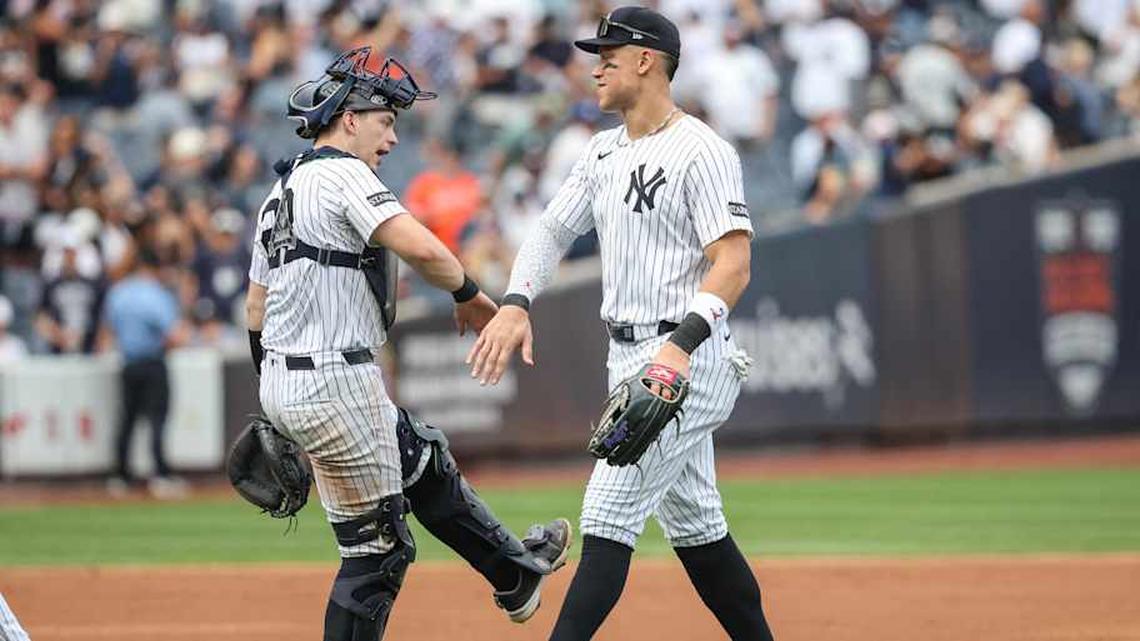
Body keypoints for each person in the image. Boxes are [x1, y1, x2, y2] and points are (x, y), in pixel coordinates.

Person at [468, 7, 777, 640]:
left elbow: (734, 263)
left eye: (610, 53)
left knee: (606, 513)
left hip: (686, 357)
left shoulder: (702, 149)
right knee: (699, 530)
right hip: (629, 358)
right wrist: (516, 300)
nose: (596, 65)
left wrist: (680, 349)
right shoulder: (603, 150)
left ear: (647, 60)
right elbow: (553, 228)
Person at [243, 47, 570, 641]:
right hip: (336, 381)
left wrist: (278, 402)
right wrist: (470, 294)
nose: (392, 138)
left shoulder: (279, 192)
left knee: (421, 456)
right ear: (349, 119)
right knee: (377, 555)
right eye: (385, 120)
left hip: (288, 378)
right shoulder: (344, 173)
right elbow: (418, 246)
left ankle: (515, 574)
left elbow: (255, 309)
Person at [103, 245, 191, 499]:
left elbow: (109, 330)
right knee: (157, 420)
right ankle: (160, 475)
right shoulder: (156, 294)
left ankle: (120, 476)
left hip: (128, 363)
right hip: (153, 362)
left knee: (127, 420)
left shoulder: (118, 292)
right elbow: (175, 335)